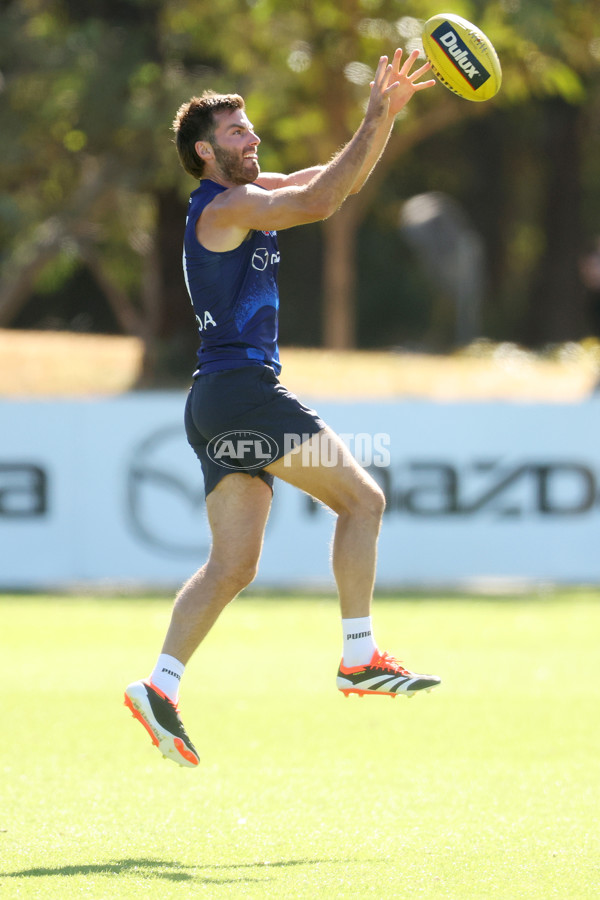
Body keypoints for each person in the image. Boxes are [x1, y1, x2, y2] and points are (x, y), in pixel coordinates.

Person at [125, 49, 440, 768]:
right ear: (204, 151)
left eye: (251, 129)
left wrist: (383, 116)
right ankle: (359, 657)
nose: (253, 140)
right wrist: (368, 114)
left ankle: (160, 684)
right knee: (362, 502)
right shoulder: (229, 204)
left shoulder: (246, 194)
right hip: (243, 392)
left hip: (212, 402)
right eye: (238, 134)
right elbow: (321, 203)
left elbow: (336, 184)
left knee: (231, 566)